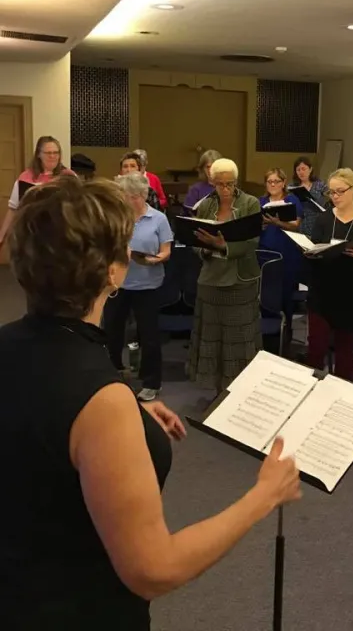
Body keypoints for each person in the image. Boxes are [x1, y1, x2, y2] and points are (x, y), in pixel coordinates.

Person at [0, 175, 300, 630]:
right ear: (112, 271)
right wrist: (263, 496)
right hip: (77, 609)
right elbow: (153, 570)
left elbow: (36, 417)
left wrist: (129, 415)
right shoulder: (99, 399)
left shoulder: (14, 344)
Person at [188, 158, 262, 392]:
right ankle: (217, 390)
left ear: (236, 182)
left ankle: (240, 391)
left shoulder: (250, 203)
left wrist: (224, 246)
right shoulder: (205, 205)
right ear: (212, 182)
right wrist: (206, 247)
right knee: (213, 340)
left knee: (238, 341)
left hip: (240, 281)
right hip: (211, 281)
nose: (226, 188)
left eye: (230, 183)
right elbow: (194, 240)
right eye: (220, 184)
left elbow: (252, 241)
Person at [103, 173, 173, 401]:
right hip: (118, 283)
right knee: (112, 331)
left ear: (142, 195)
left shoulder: (158, 219)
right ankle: (112, 374)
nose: (127, 200)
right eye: (124, 195)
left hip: (147, 284)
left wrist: (154, 259)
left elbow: (166, 251)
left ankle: (152, 382)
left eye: (131, 196)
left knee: (149, 335)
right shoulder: (116, 217)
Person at [306, 168, 353, 381]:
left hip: (350, 294)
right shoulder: (324, 219)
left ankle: (340, 393)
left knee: (344, 351)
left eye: (340, 191)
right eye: (331, 192)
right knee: (316, 348)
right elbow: (313, 247)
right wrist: (310, 254)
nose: (335, 196)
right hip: (322, 292)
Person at [0, 135, 76, 250]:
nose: (52, 156)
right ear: (39, 155)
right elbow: (13, 209)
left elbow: (79, 205)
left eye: (56, 153)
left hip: (61, 236)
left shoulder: (69, 177)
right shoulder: (25, 178)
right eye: (48, 153)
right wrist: (1, 236)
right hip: (32, 236)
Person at [259, 168, 304, 328]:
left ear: (283, 183)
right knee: (266, 292)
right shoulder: (261, 202)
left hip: (287, 252)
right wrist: (262, 225)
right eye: (269, 181)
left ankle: (286, 329)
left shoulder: (291, 200)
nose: (273, 184)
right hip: (265, 252)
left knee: (285, 292)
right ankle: (267, 329)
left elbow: (296, 225)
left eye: (276, 181)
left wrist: (277, 222)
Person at [290, 156, 327, 237]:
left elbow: (328, 200)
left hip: (317, 223)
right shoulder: (292, 187)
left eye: (303, 169)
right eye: (298, 170)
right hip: (300, 225)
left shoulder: (320, 185)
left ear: (310, 169)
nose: (301, 172)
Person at [184, 148, 222, 214]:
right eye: (208, 167)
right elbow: (188, 213)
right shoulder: (195, 189)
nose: (210, 170)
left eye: (214, 166)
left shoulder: (227, 188)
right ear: (202, 169)